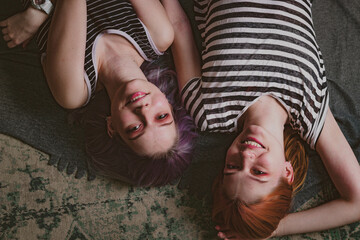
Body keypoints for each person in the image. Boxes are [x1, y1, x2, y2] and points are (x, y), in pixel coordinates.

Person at [161, 0, 360, 239]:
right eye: (258, 172)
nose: (245, 155)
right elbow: (356, 202)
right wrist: (276, 228)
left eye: (232, 167)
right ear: (287, 173)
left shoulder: (207, 112)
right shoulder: (311, 112)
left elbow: (179, 26)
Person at [0, 0, 196, 186]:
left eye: (135, 128)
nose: (143, 110)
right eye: (161, 116)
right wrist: (39, 11)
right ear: (169, 104)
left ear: (111, 127)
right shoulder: (159, 34)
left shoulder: (73, 90)